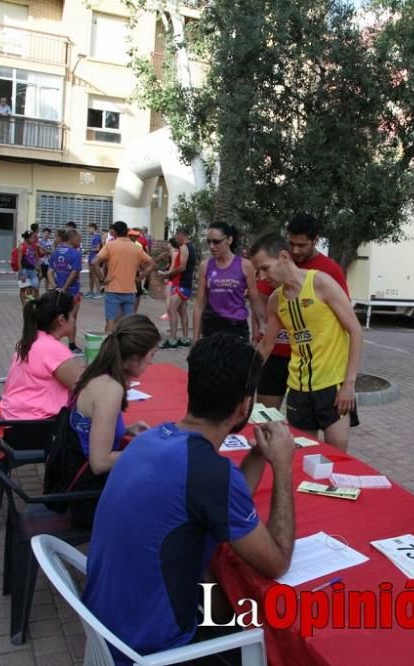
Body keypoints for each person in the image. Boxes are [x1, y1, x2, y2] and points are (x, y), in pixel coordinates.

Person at [83, 333, 296, 660]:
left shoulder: (148, 439)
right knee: (264, 637)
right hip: (153, 649)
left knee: (219, 590)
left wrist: (257, 456)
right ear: (244, 406)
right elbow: (277, 562)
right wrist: (282, 466)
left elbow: (218, 505)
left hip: (108, 626)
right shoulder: (209, 473)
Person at [252, 234, 362, 451]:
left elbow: (356, 331)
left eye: (265, 268)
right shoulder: (276, 300)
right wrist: (244, 383)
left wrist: (349, 384)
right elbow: (266, 346)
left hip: (332, 386)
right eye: (258, 271)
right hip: (298, 388)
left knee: (336, 457)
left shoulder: (321, 283)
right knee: (306, 456)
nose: (262, 277)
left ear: (284, 256)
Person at [64, 315, 161, 526]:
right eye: (151, 355)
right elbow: (99, 463)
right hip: (88, 496)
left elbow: (88, 428)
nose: (152, 362)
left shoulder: (96, 372)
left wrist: (125, 430)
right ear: (135, 357)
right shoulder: (110, 389)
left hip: (73, 477)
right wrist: (143, 448)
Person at [255, 212, 350, 409]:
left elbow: (346, 321)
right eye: (292, 244)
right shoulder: (277, 265)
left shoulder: (329, 271)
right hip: (276, 352)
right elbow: (261, 297)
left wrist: (347, 377)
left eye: (302, 245)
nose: (295, 251)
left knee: (312, 427)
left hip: (314, 364)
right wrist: (261, 324)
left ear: (316, 240)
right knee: (265, 415)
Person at [0, 291, 84, 432]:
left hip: (13, 420)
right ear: (62, 319)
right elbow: (83, 386)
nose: (74, 320)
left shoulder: (34, 339)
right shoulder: (53, 349)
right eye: (73, 315)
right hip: (34, 427)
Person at [192, 222, 263, 342]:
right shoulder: (205, 266)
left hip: (236, 328)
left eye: (216, 241)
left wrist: (258, 331)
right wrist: (195, 339)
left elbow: (255, 301)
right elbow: (199, 305)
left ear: (229, 240)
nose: (212, 246)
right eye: (209, 242)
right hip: (211, 327)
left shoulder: (245, 265)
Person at [91, 221, 154, 333]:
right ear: (127, 232)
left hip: (112, 289)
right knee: (127, 322)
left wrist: (102, 280)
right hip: (130, 290)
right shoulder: (136, 248)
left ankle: (110, 347)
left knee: (110, 321)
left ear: (114, 232)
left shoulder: (110, 245)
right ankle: (126, 347)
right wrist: (140, 278)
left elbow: (94, 262)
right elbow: (151, 264)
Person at [50, 229, 84, 353]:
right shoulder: (76, 254)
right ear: (72, 239)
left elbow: (49, 272)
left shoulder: (56, 252)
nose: (80, 241)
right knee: (72, 317)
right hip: (72, 291)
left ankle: (54, 343)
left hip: (58, 292)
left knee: (57, 318)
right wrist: (65, 288)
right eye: (79, 239)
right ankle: (72, 345)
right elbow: (74, 273)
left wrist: (56, 287)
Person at [157, 238, 187, 348]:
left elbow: (174, 266)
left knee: (171, 308)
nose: (167, 245)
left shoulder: (175, 253)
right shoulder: (176, 252)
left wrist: (166, 275)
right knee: (182, 311)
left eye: (168, 243)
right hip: (178, 282)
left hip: (175, 281)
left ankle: (173, 338)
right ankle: (184, 338)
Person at [17, 231, 40, 303]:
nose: (34, 239)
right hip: (24, 270)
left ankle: (36, 305)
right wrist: (21, 274)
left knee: (36, 288)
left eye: (34, 237)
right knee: (23, 289)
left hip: (33, 271)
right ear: (27, 238)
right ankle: (24, 306)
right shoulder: (21, 247)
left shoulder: (34, 246)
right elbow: (19, 261)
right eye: (32, 238)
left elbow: (37, 258)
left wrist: (39, 269)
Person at [86, 222, 103, 298]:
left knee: (95, 275)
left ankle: (99, 292)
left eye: (89, 228)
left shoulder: (97, 236)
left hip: (95, 258)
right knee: (91, 275)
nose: (88, 230)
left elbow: (97, 249)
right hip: (91, 258)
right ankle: (91, 291)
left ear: (93, 228)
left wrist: (88, 250)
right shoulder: (93, 237)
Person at [39, 226, 55, 292]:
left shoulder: (51, 242)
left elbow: (52, 251)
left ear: (49, 235)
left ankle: (47, 295)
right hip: (40, 264)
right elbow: (40, 252)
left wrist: (44, 250)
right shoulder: (39, 242)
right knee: (38, 279)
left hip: (48, 263)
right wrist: (47, 251)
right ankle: (36, 295)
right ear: (42, 233)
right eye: (45, 233)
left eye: (47, 233)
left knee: (48, 280)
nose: (46, 235)